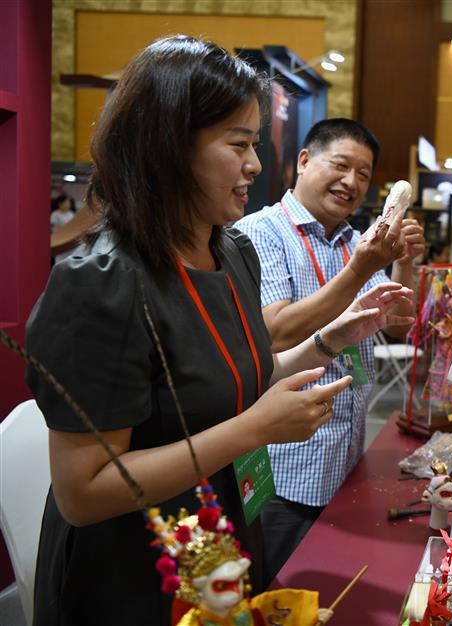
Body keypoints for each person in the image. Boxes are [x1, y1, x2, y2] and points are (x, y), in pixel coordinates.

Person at [24, 36, 413, 626]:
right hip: (137, 571)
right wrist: (251, 430)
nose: (255, 165)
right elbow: (84, 493)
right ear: (170, 149)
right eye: (238, 145)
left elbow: (237, 377)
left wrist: (333, 337)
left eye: (255, 144)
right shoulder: (103, 283)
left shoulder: (229, 252)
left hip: (225, 537)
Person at [234, 117, 425, 582]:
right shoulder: (260, 232)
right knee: (277, 591)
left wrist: (405, 265)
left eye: (364, 175)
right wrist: (361, 269)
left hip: (344, 456)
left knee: (328, 591)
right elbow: (276, 332)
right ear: (304, 161)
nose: (351, 183)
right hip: (285, 465)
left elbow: (398, 325)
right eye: (341, 166)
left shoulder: (355, 242)